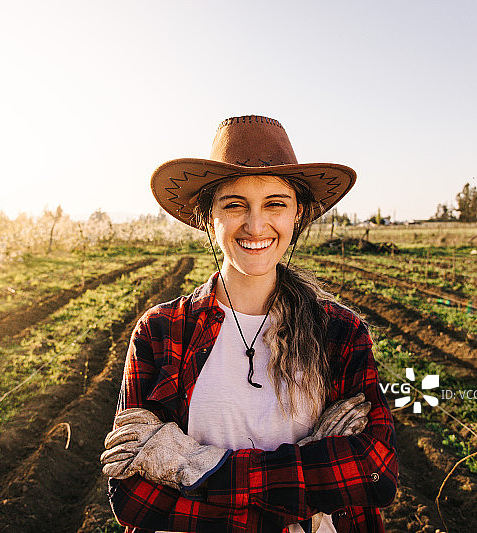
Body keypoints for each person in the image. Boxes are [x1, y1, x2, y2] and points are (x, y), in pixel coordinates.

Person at [100, 115, 398, 533]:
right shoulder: (162, 331)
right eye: (235, 204)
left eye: (275, 203)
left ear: (298, 215)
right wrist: (312, 469)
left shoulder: (340, 334)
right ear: (209, 217)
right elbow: (134, 498)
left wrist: (191, 465)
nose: (256, 226)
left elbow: (375, 473)